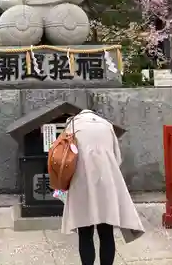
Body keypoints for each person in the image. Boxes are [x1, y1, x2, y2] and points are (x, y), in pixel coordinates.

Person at [61, 110, 145, 265]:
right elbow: (117, 158)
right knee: (106, 234)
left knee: (85, 233)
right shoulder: (107, 126)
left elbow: (64, 158)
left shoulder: (72, 125)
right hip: (107, 184)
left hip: (82, 183)